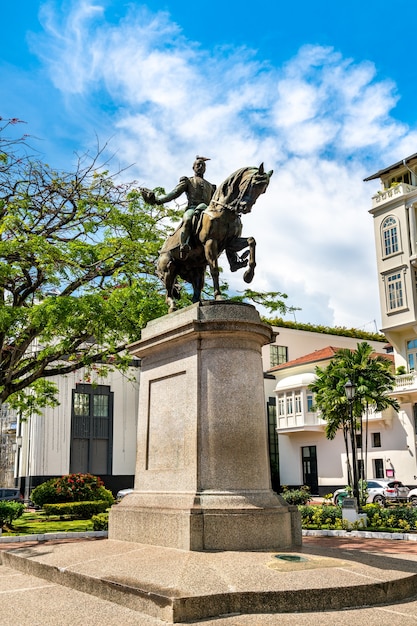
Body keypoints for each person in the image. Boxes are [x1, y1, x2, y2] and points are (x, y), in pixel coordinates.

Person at [142, 156, 216, 258]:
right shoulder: (188, 181)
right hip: (193, 208)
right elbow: (174, 193)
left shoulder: (211, 186)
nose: (200, 166)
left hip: (207, 211)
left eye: (203, 165)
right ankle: (183, 245)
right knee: (188, 219)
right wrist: (158, 200)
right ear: (193, 167)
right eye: (198, 165)